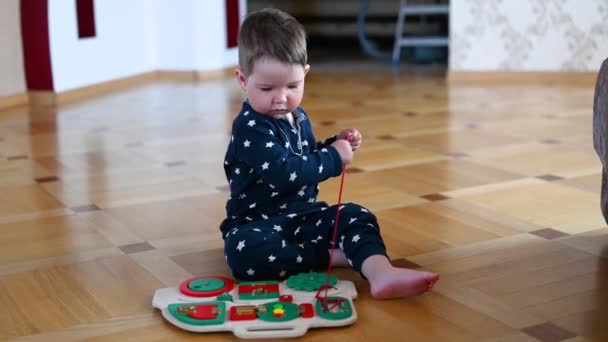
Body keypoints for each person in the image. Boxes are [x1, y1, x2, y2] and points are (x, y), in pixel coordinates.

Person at [220, 8, 439, 299]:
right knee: (242, 254)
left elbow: (306, 155)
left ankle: (380, 271)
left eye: (293, 86)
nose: (282, 98)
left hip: (304, 217)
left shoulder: (297, 117)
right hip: (258, 225)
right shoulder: (250, 127)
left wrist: (334, 144)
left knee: (356, 215)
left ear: (305, 74)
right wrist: (334, 158)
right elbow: (285, 172)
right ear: (243, 80)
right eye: (267, 88)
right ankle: (332, 256)